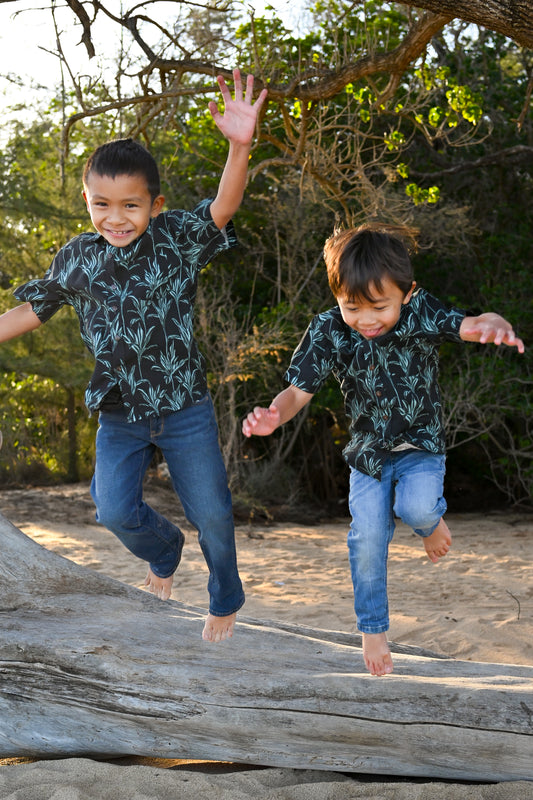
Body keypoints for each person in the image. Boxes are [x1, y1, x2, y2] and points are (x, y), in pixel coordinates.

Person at [0, 68, 267, 644]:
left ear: (155, 204)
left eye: (130, 205)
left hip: (183, 406)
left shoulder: (174, 239)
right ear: (87, 201)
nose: (115, 218)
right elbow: (31, 311)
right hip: (119, 411)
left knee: (215, 515)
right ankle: (163, 551)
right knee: (113, 510)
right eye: (101, 204)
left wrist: (239, 146)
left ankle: (225, 596)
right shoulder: (77, 257)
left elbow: (223, 205)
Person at [242, 222, 524, 675]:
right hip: (369, 456)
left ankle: (431, 522)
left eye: (379, 307)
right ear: (337, 295)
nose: (366, 320)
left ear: (407, 294)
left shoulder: (419, 313)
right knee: (368, 538)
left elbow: (468, 326)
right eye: (352, 307)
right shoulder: (329, 330)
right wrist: (274, 415)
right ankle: (373, 630)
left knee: (416, 509)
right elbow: (296, 392)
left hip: (420, 449)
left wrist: (494, 325)